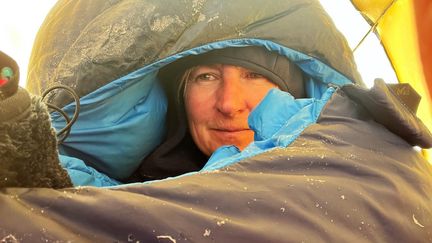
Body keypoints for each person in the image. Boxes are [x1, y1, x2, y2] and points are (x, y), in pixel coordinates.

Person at [1, 0, 432, 242]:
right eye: (206, 77)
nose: (229, 103)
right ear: (175, 98)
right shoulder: (121, 187)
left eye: (256, 75)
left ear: (295, 93)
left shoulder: (355, 154)